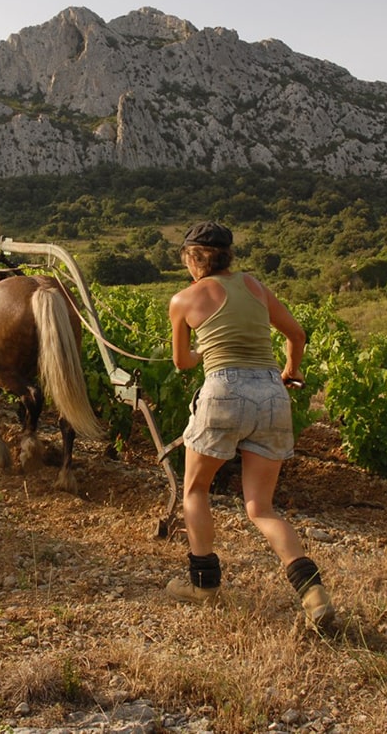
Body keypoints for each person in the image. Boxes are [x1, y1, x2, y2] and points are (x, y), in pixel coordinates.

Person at [165, 221, 335, 632]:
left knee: (195, 489)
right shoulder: (256, 287)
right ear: (227, 256)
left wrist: (203, 346)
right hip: (271, 395)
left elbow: (182, 363)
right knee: (261, 507)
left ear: (192, 258)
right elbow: (296, 334)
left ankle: (203, 585)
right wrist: (291, 372)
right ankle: (312, 593)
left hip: (224, 391)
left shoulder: (183, 300)